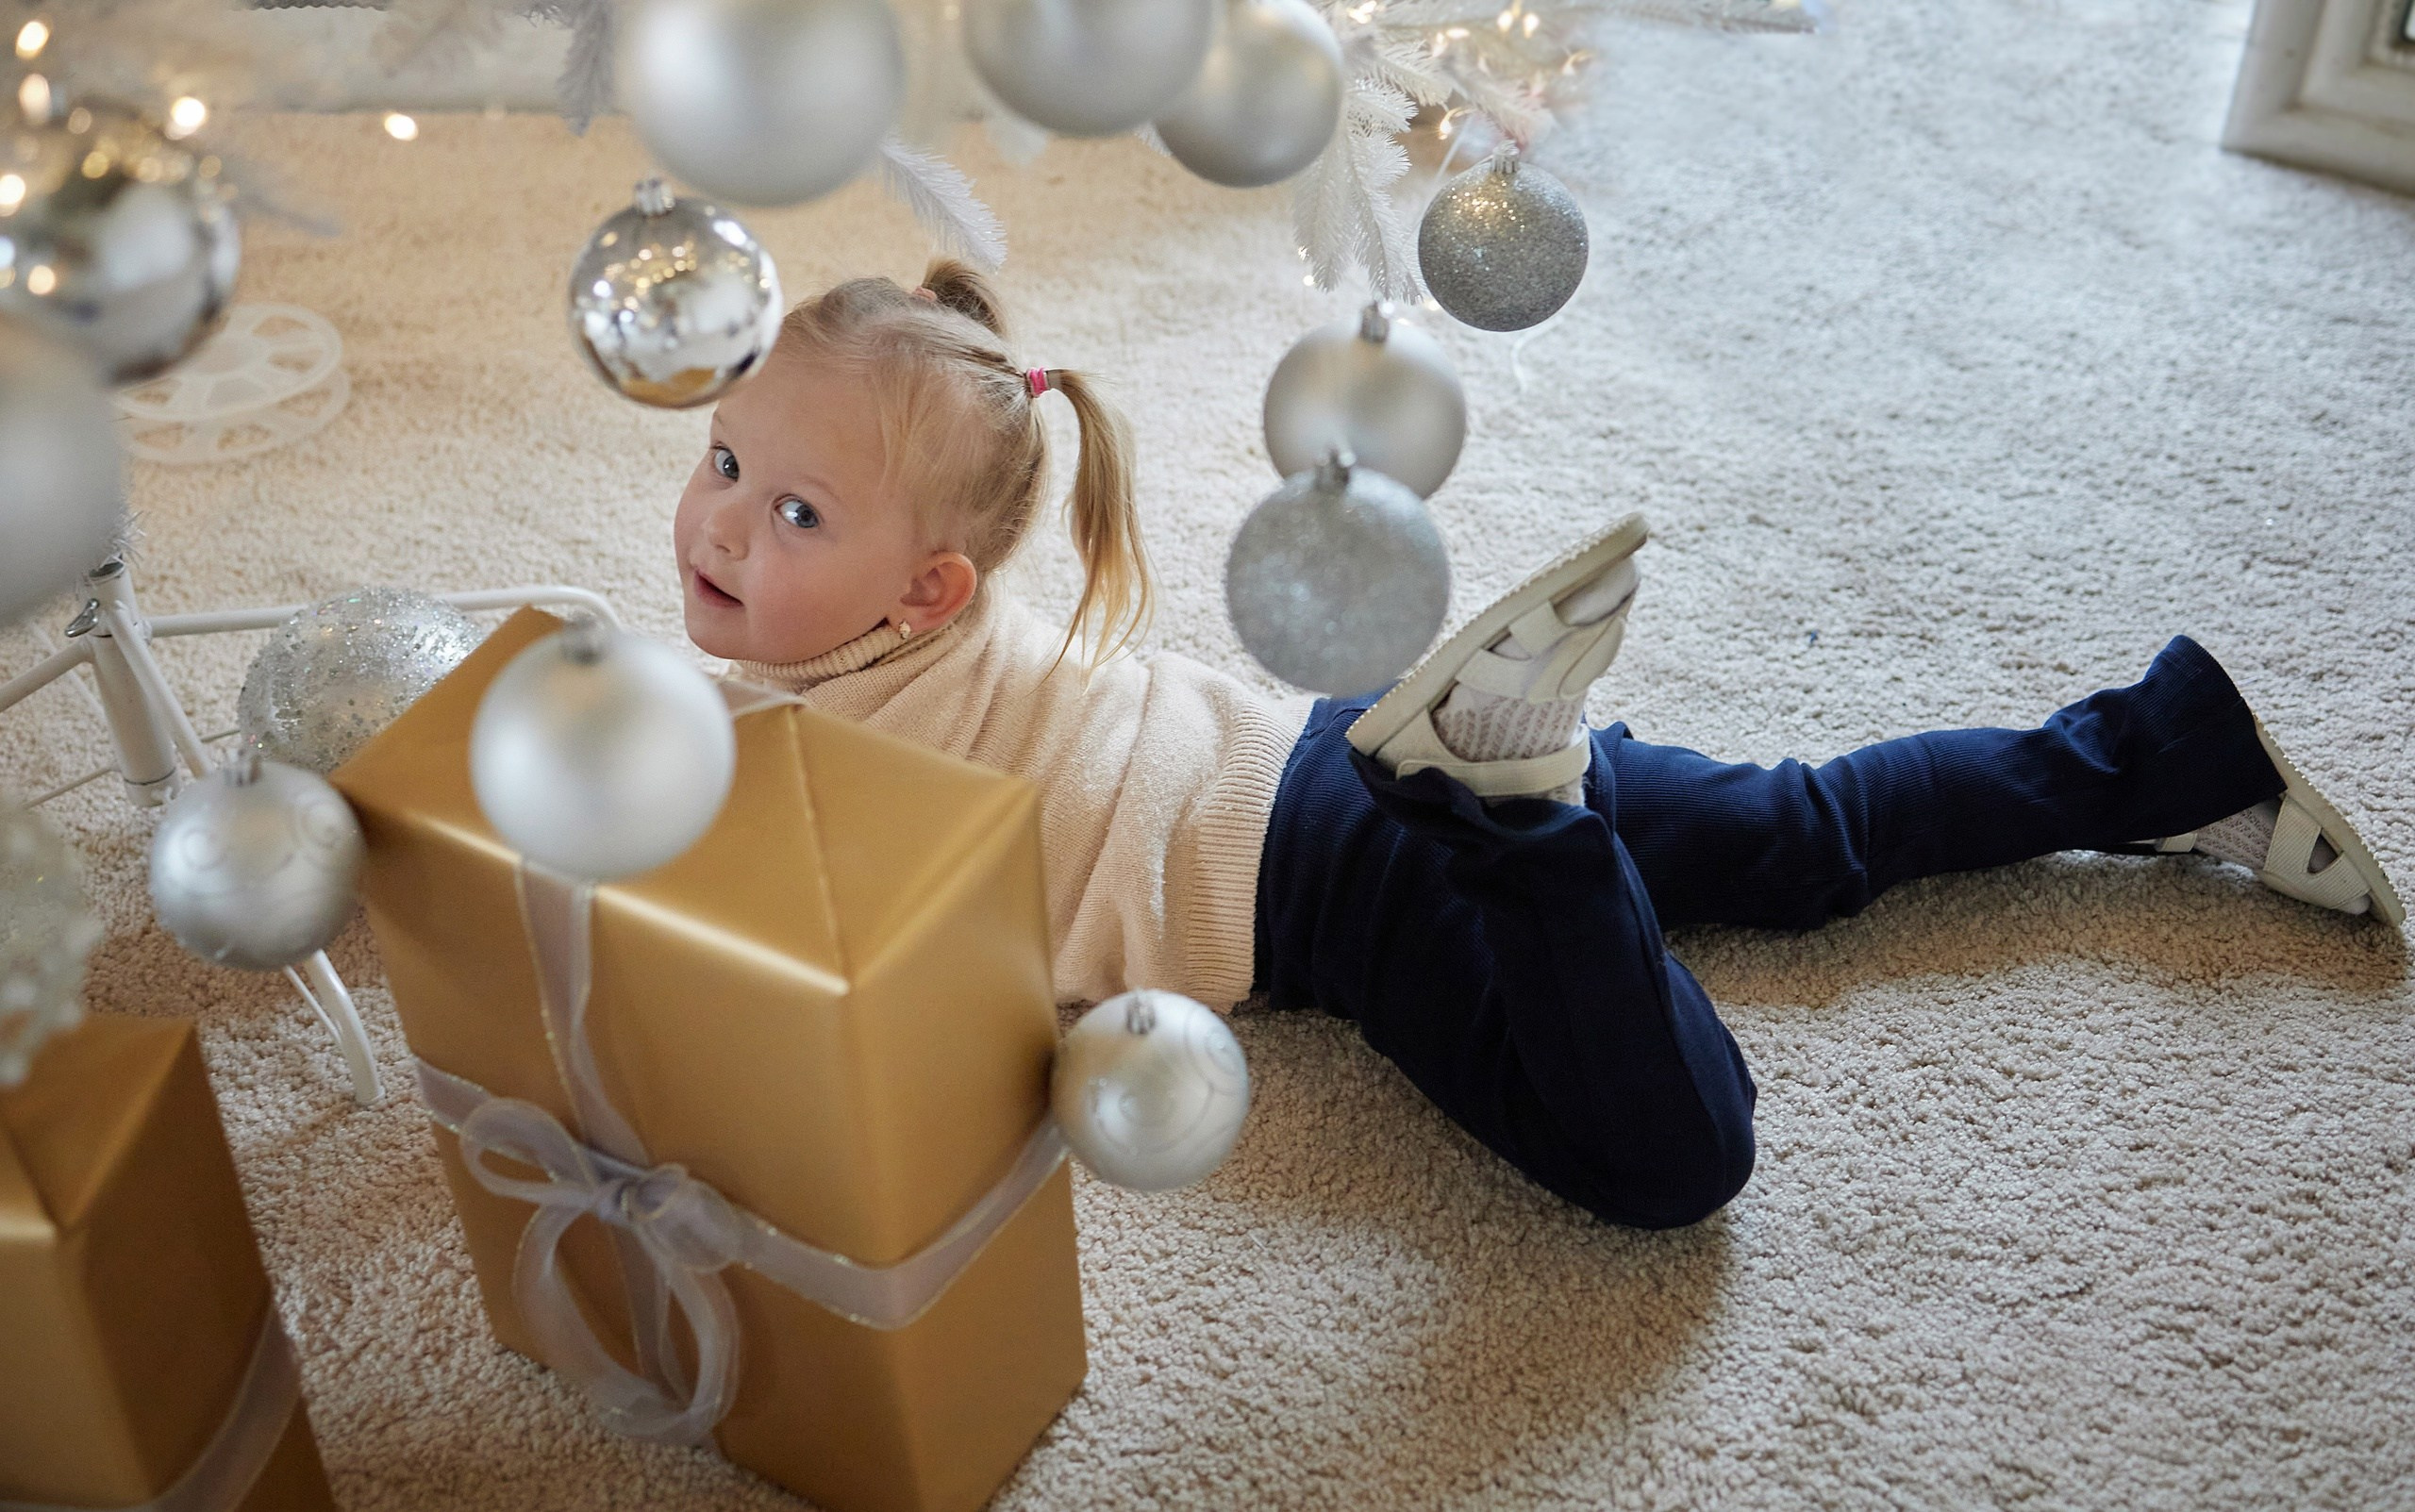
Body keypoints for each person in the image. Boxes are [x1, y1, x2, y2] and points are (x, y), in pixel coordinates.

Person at [675, 259, 2403, 1231]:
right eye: (726, 463)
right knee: (1805, 837)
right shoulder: (930, 630)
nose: (725, 527)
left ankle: (1529, 826)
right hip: (1346, 747)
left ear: (931, 586)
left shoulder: (809, 748)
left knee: (1677, 1161)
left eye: (795, 504)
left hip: (1330, 891)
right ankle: (2162, 752)